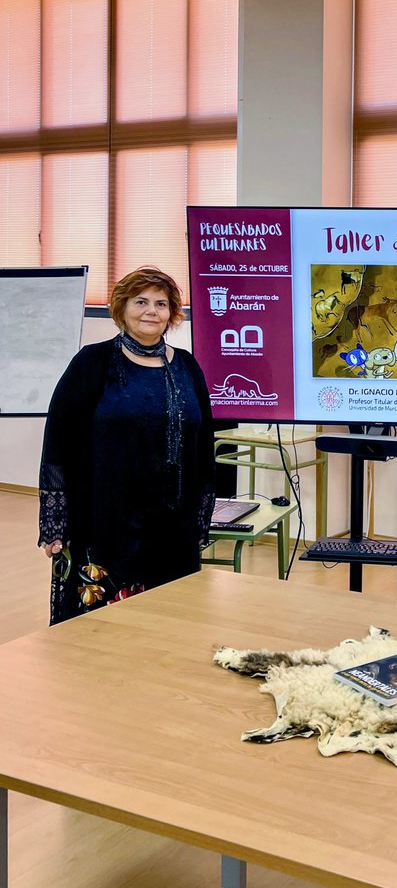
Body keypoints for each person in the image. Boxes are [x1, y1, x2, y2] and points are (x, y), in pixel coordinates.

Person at [39, 267, 216, 625]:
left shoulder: (187, 367)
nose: (151, 311)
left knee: (169, 625)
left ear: (172, 313)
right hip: (104, 521)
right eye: (141, 301)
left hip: (171, 525)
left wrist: (200, 518)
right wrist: (55, 523)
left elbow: (203, 446)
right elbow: (58, 441)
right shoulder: (92, 362)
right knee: (99, 630)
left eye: (161, 303)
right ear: (122, 308)